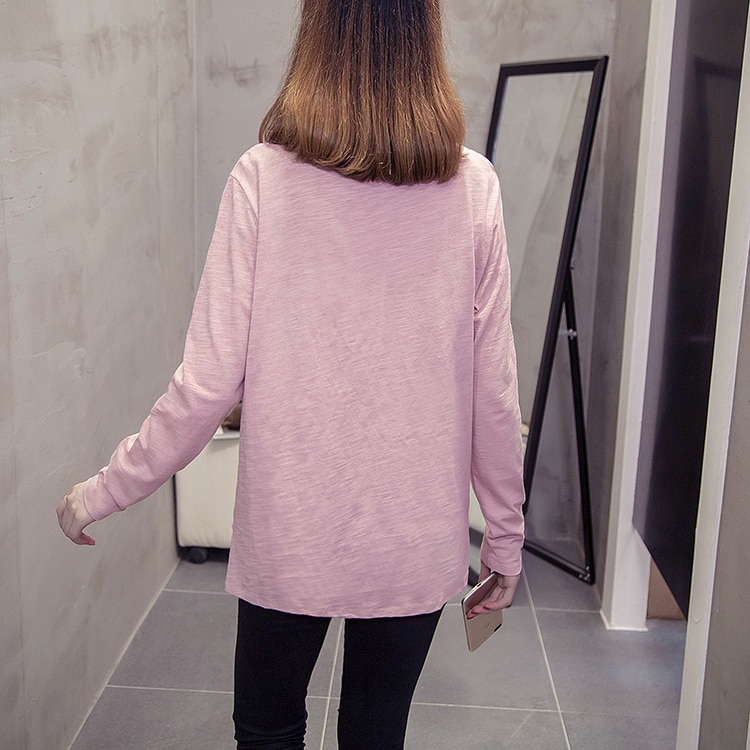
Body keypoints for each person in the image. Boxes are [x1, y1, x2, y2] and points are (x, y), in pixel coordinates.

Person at [57, 1, 525, 747]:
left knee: (268, 730)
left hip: (291, 531)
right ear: (424, 33)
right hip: (412, 538)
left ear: (318, 33)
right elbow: (494, 398)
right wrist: (505, 538)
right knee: (376, 733)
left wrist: (104, 490)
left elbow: (206, 386)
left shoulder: (263, 179)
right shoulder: (474, 188)